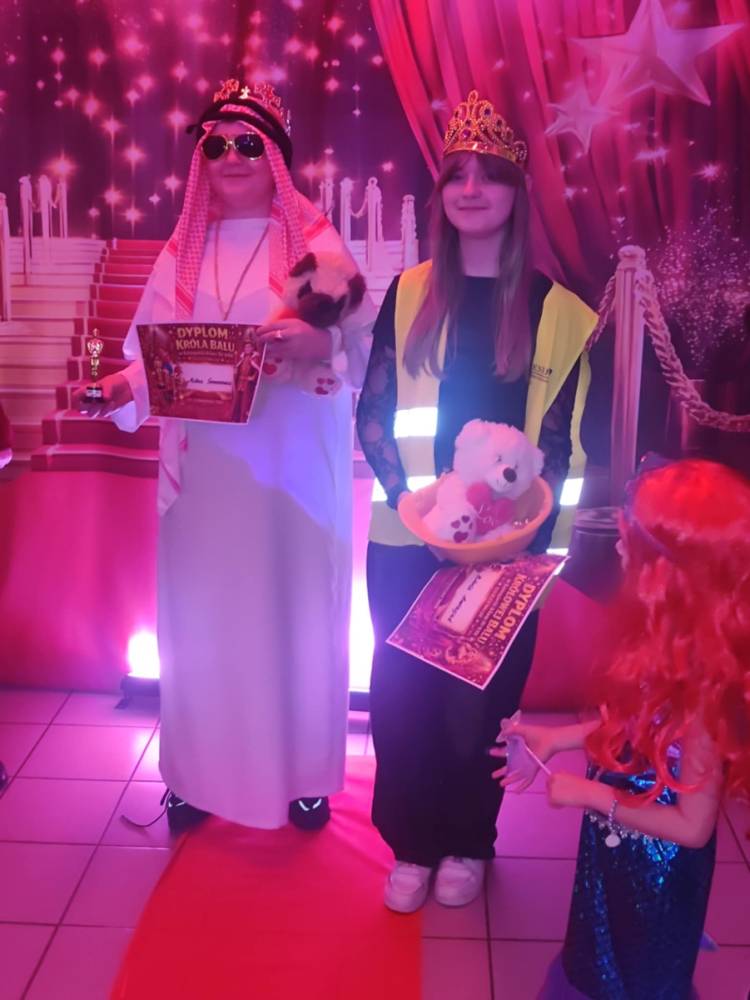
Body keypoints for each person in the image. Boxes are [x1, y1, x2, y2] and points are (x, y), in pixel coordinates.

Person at [75, 79, 375, 834]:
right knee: (203, 622)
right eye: (215, 145)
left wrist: (320, 340)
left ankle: (302, 776)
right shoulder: (183, 250)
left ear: (275, 155)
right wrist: (120, 385)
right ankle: (196, 777)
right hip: (206, 475)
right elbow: (152, 355)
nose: (231, 157)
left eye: (248, 143)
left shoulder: (315, 246)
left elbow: (369, 350)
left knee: (295, 615)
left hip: (290, 477)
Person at [355, 90, 597, 912]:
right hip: (407, 540)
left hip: (509, 552)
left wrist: (523, 539)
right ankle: (412, 844)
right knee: (402, 701)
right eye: (455, 175)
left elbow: (564, 444)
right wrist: (415, 507)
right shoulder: (409, 294)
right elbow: (376, 414)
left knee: (478, 706)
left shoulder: (561, 314)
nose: (470, 190)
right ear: (440, 196)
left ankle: (468, 840)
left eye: (488, 175)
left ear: (515, 192)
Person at [492, 458, 750, 999]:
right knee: (597, 952)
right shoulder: (667, 641)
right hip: (618, 849)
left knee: (639, 975)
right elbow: (639, 725)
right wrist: (558, 739)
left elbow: (693, 827)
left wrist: (592, 795)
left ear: (669, 573)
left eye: (628, 540)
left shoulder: (705, 691)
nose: (616, 547)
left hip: (657, 872)